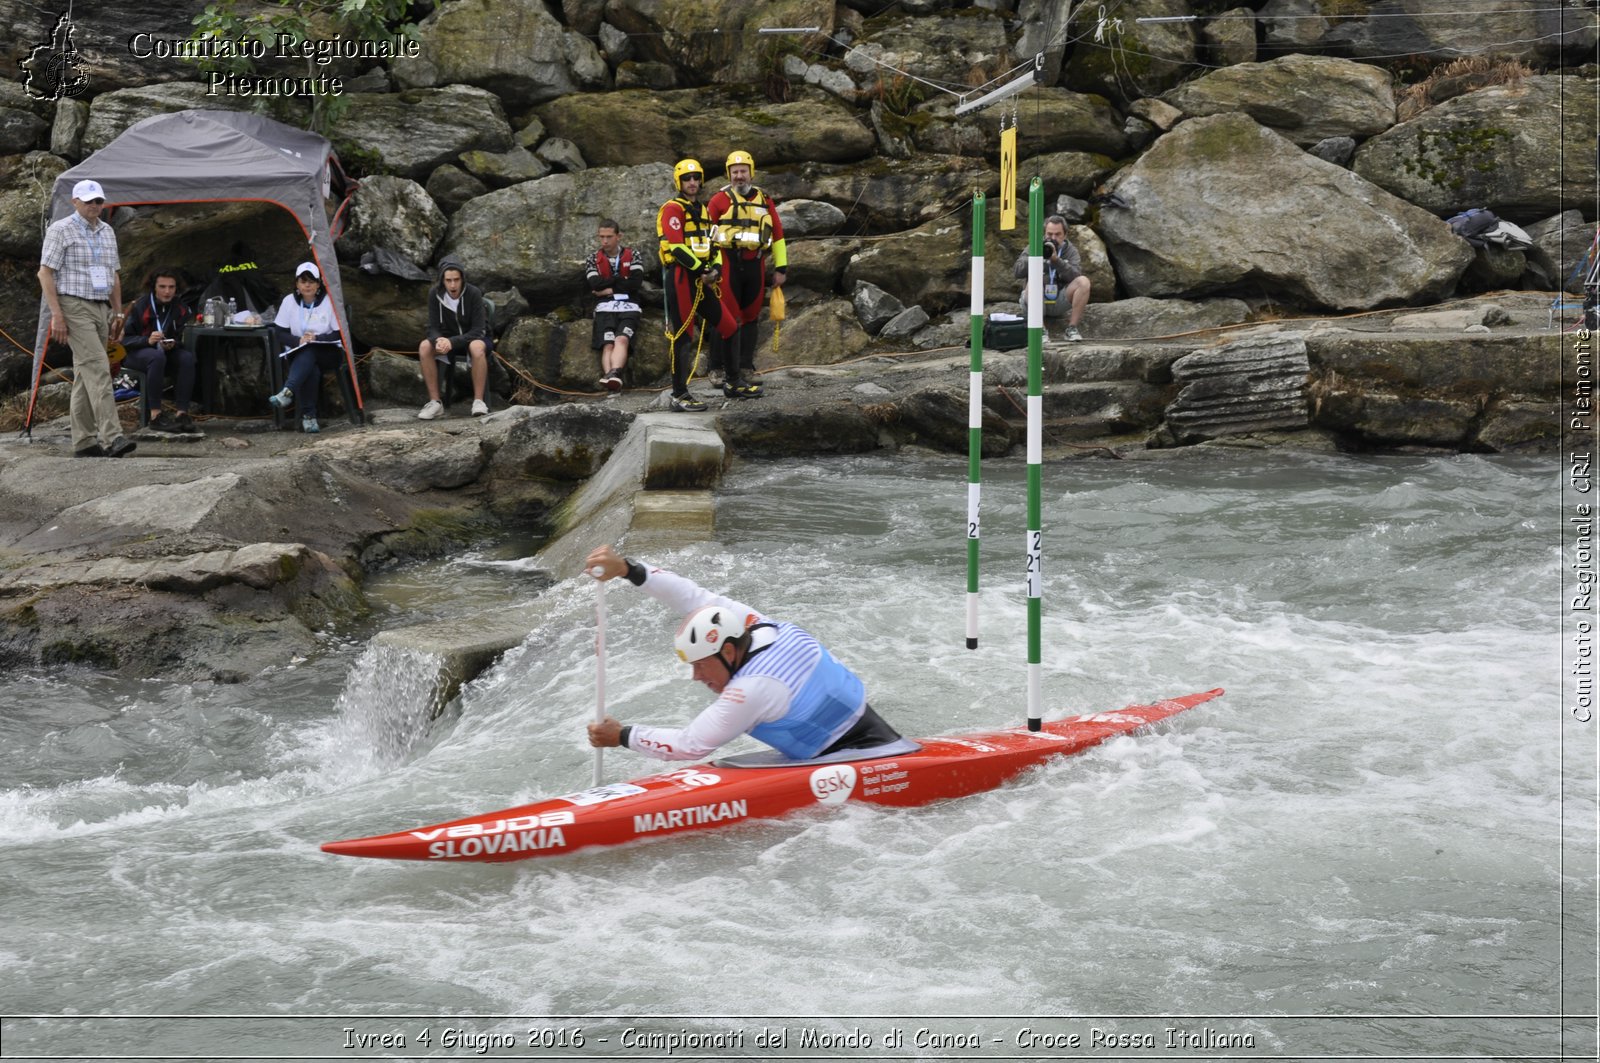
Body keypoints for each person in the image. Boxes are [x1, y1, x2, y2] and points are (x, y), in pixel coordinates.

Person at [584, 545, 912, 763]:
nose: (697, 677)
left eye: (700, 666)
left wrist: (622, 736)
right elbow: (691, 596)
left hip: (852, 760)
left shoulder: (751, 690)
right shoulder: (758, 625)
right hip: (871, 736)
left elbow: (689, 745)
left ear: (727, 651)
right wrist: (627, 569)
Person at [38, 178, 136, 458]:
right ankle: (112, 437)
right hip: (73, 305)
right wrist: (57, 314)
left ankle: (83, 441)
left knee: (85, 373)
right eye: (89, 200)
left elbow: (114, 274)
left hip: (101, 306)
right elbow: (45, 273)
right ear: (75, 202)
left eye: (99, 201)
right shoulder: (61, 230)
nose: (95, 206)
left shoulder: (107, 231)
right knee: (98, 366)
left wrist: (118, 311)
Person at [656, 158, 736, 413]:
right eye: (687, 179)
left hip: (702, 279)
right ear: (679, 182)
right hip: (681, 277)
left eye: (695, 178)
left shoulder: (704, 211)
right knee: (683, 336)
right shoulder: (672, 209)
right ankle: (679, 394)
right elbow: (676, 247)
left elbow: (716, 246)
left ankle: (734, 382)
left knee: (730, 326)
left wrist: (716, 269)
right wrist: (702, 270)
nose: (692, 183)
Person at [706, 150, 787, 399]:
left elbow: (778, 235)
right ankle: (716, 368)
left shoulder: (765, 199)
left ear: (751, 173)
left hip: (755, 264)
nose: (739, 176)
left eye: (743, 171)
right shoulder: (718, 200)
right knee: (726, 316)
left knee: (751, 316)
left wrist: (781, 268)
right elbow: (707, 237)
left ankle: (745, 366)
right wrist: (708, 268)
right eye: (735, 172)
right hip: (728, 262)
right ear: (729, 174)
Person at [266, 261, 344, 434]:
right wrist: (298, 341)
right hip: (300, 352)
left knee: (310, 350)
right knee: (310, 366)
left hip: (328, 352)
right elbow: (280, 333)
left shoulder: (329, 301)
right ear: (297, 284)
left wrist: (317, 338)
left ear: (318, 284)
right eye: (303, 281)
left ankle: (289, 391)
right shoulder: (288, 301)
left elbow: (339, 334)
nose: (307, 285)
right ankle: (309, 418)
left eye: (311, 281)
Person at [121, 267, 200, 434]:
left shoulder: (180, 307)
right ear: (154, 287)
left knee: (187, 358)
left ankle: (182, 414)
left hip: (164, 352)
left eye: (171, 287)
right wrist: (146, 340)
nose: (167, 292)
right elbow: (124, 339)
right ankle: (155, 415)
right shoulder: (139, 306)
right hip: (136, 353)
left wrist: (173, 344)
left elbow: (180, 336)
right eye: (162, 287)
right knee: (156, 357)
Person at [417, 259, 491, 419]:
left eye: (456, 280)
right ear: (442, 280)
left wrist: (453, 342)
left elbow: (479, 330)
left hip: (474, 338)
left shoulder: (473, 293)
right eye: (448, 280)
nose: (452, 285)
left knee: (477, 347)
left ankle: (479, 401)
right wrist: (438, 340)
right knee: (424, 347)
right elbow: (432, 326)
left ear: (462, 279)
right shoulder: (434, 294)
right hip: (447, 340)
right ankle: (435, 402)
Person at [586, 220, 644, 393]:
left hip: (629, 306)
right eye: (602, 237)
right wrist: (621, 280)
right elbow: (594, 284)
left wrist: (607, 288)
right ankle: (612, 379)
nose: (605, 241)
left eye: (609, 237)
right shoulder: (593, 258)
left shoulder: (633, 255)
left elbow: (636, 283)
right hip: (605, 307)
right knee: (608, 343)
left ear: (618, 236)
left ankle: (613, 374)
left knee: (622, 339)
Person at [1013, 214, 1090, 342]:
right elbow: (1017, 271)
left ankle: (1072, 328)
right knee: (1032, 281)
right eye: (1049, 234)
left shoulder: (1071, 251)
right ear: (1044, 234)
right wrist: (1036, 258)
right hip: (1035, 300)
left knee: (1084, 282)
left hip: (1059, 299)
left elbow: (1076, 276)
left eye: (1058, 234)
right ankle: (1041, 330)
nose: (1053, 238)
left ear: (1065, 235)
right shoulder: (1035, 246)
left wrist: (1057, 261)